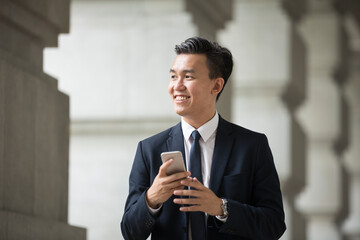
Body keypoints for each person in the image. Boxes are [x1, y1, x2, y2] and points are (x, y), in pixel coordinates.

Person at [121, 37, 286, 240]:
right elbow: (129, 233)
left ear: (216, 86)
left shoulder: (252, 146)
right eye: (173, 77)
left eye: (188, 77)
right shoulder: (149, 149)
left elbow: (274, 224)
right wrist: (152, 198)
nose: (177, 86)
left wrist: (220, 208)